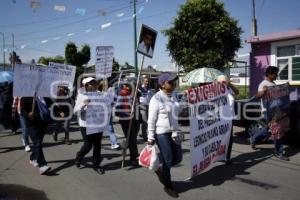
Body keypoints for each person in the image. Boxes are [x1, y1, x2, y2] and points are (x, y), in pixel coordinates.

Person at [147, 73, 183, 198]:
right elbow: (151, 119)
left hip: (174, 131)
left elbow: (177, 111)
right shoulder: (155, 98)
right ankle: (168, 186)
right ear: (163, 85)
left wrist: (184, 104)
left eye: (174, 82)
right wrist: (150, 137)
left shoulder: (173, 96)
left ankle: (160, 170)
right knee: (168, 160)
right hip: (161, 133)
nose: (174, 84)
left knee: (178, 158)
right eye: (171, 82)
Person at [250, 66, 289, 161]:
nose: (277, 75)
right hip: (268, 112)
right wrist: (263, 91)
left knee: (268, 130)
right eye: (275, 73)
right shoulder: (263, 84)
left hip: (276, 111)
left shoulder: (273, 84)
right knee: (277, 130)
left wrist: (285, 88)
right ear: (270, 74)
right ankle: (278, 152)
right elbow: (258, 96)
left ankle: (253, 139)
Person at [73, 77, 105, 174]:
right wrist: (84, 104)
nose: (94, 85)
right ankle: (79, 156)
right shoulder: (81, 96)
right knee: (88, 146)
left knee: (97, 146)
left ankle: (96, 165)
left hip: (98, 124)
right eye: (91, 83)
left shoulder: (100, 94)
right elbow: (75, 111)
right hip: (85, 124)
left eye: (95, 83)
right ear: (86, 86)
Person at [20, 95, 52, 175]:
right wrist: (28, 115)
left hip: (43, 123)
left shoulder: (44, 97)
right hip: (32, 124)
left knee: (38, 144)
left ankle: (32, 158)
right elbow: (22, 110)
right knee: (37, 143)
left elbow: (52, 105)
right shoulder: (25, 98)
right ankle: (42, 166)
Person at [217, 75, 239, 165]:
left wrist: (230, 84)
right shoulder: (216, 90)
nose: (224, 83)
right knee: (218, 138)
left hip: (229, 118)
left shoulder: (229, 89)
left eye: (225, 81)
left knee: (229, 138)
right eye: (222, 82)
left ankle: (227, 157)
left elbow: (237, 92)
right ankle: (216, 156)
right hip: (220, 118)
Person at [117, 83, 140, 167]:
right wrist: (127, 114)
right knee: (132, 138)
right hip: (125, 119)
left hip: (134, 118)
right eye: (131, 86)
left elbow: (136, 105)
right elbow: (118, 108)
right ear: (126, 86)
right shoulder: (122, 94)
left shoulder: (133, 93)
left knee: (132, 138)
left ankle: (125, 145)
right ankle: (133, 158)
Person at [138, 77, 154, 141]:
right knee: (145, 121)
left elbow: (152, 97)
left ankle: (142, 132)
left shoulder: (150, 89)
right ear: (143, 82)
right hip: (142, 106)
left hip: (149, 106)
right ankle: (145, 136)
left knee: (148, 121)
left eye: (148, 81)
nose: (147, 82)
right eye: (146, 81)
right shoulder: (139, 88)